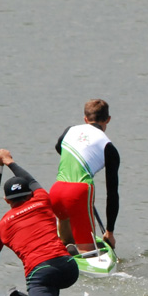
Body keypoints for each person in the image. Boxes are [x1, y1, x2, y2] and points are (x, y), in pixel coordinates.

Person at [0, 149, 80, 296]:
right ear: (30, 193)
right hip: (68, 267)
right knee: (50, 283)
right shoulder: (42, 199)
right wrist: (9, 161)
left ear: (7, 200)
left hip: (41, 271)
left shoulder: (1, 226)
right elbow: (30, 179)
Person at [50, 99, 120, 254]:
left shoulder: (70, 130)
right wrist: (110, 232)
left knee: (65, 236)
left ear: (85, 119)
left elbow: (58, 147)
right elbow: (112, 193)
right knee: (88, 253)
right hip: (79, 192)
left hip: (57, 190)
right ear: (108, 119)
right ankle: (83, 251)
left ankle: (67, 247)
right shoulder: (109, 147)